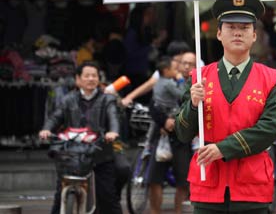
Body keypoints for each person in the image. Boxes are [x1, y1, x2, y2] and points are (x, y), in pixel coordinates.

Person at [175, 0, 276, 214]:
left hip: (251, 187)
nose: (237, 33)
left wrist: (222, 149)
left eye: (244, 28)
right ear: (218, 34)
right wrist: (194, 105)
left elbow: (269, 130)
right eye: (231, 27)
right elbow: (182, 133)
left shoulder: (271, 79)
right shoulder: (198, 78)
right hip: (208, 185)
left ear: (254, 35)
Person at [39, 61, 123, 214]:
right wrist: (46, 129)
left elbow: (113, 117)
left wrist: (113, 132)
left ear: (99, 79)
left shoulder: (107, 99)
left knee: (108, 197)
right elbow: (55, 117)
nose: (91, 79)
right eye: (87, 76)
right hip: (73, 155)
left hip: (100, 153)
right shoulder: (68, 99)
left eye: (94, 76)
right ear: (78, 79)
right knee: (60, 197)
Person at [147, 52, 196, 214]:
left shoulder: (195, 83)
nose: (187, 66)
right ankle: (155, 211)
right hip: (161, 134)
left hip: (182, 137)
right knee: (154, 178)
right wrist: (164, 121)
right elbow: (153, 106)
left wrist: (178, 121)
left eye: (191, 64)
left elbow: (193, 106)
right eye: (184, 63)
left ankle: (178, 211)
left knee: (183, 179)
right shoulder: (164, 82)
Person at [121, 40, 202, 108]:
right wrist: (129, 97)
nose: (186, 66)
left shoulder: (199, 64)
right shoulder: (169, 68)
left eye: (176, 59)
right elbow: (150, 83)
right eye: (173, 59)